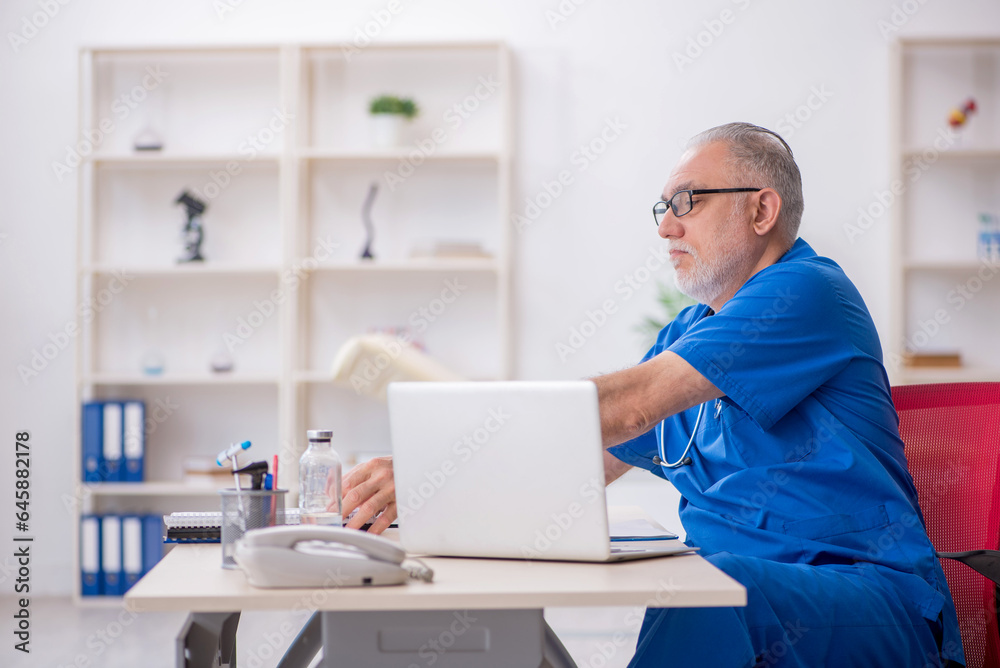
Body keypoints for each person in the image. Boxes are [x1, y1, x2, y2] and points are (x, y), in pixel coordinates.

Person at [341, 122, 964, 667]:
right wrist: (430, 488)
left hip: (870, 601)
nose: (666, 226)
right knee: (697, 587)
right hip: (741, 596)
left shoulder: (807, 292)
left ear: (761, 210)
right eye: (662, 206)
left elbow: (628, 404)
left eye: (687, 201)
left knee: (708, 590)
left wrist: (439, 461)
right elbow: (581, 458)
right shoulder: (689, 335)